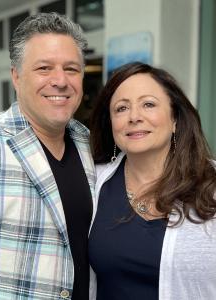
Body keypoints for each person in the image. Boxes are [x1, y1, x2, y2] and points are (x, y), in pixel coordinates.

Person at [0, 13, 96, 299]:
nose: (60, 81)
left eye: (71, 69)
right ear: (16, 76)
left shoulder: (86, 141)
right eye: (44, 68)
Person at [88, 62, 216, 300]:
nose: (134, 117)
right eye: (121, 108)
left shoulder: (211, 183)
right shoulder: (92, 182)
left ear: (175, 118)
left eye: (148, 104)